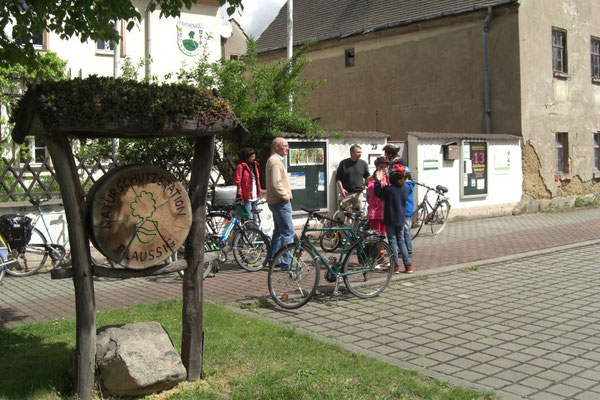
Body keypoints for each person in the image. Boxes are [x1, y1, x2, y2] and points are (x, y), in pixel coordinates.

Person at [373, 162, 413, 274]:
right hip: (401, 218)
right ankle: (408, 265)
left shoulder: (389, 190)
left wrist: (377, 180)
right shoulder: (405, 189)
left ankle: (395, 266)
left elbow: (378, 193)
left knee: (392, 242)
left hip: (390, 218)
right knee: (401, 241)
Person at [265, 137, 294, 269]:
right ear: (276, 147)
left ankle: (273, 259)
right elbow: (276, 183)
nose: (287, 148)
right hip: (280, 201)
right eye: (284, 146)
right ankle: (286, 263)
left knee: (279, 232)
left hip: (274, 201)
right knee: (288, 232)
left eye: (287, 146)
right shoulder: (276, 161)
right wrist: (285, 196)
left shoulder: (273, 160)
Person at [335, 144, 370, 212]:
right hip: (346, 194)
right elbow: (338, 178)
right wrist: (341, 189)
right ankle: (344, 223)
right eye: (358, 152)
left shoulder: (363, 164)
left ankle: (357, 223)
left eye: (361, 152)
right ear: (352, 153)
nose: (360, 154)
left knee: (357, 214)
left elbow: (367, 177)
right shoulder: (343, 163)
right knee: (343, 214)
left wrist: (365, 185)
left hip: (358, 194)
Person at [233, 147, 262, 222]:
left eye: (254, 155)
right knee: (249, 219)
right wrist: (240, 195)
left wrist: (259, 192)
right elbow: (237, 181)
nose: (254, 157)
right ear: (247, 156)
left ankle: (255, 233)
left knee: (255, 219)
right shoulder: (241, 166)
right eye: (252, 155)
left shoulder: (255, 165)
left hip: (255, 195)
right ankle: (248, 233)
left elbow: (257, 180)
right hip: (246, 197)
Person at [366, 156, 389, 234]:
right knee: (375, 235)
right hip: (375, 211)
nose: (383, 169)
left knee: (383, 234)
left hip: (385, 212)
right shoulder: (372, 179)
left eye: (385, 167)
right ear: (376, 167)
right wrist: (378, 180)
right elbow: (374, 192)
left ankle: (382, 247)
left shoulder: (388, 178)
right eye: (381, 167)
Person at [403, 167, 415, 256]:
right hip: (408, 210)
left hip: (405, 211)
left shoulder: (405, 186)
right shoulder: (409, 184)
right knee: (406, 230)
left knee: (406, 230)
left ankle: (408, 250)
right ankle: (406, 249)